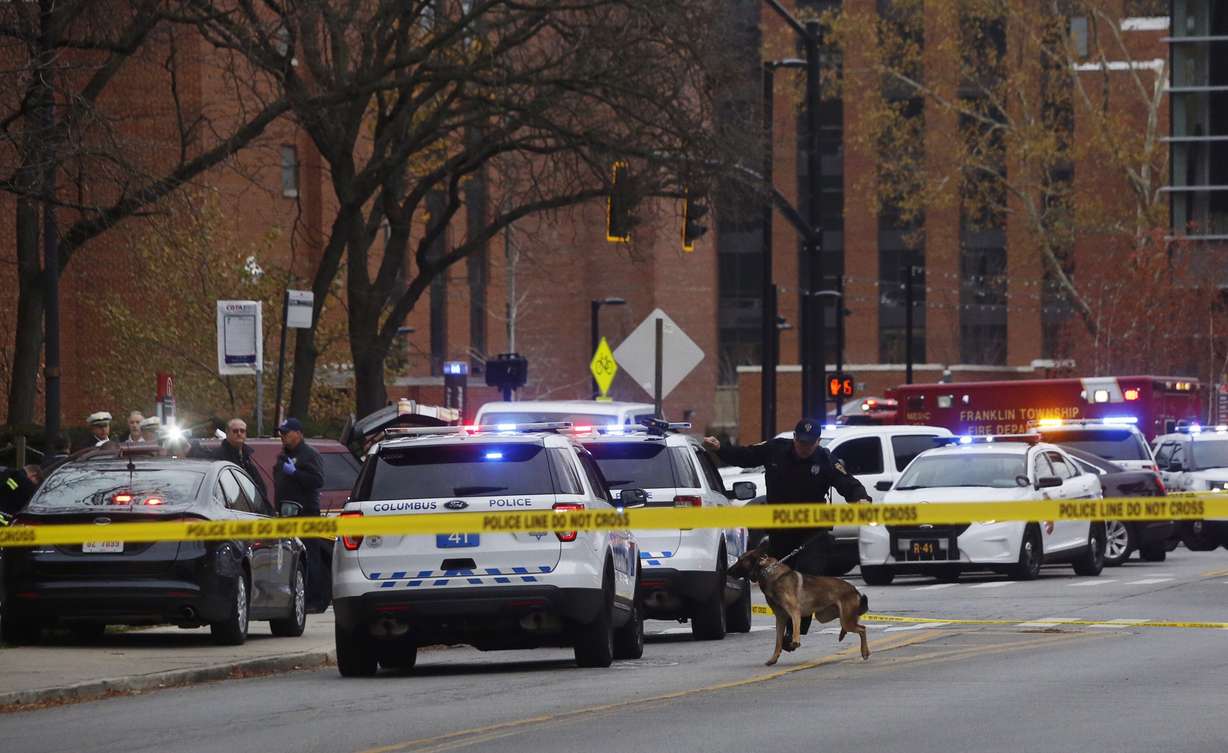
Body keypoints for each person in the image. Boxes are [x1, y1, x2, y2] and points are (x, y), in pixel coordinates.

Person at [704, 419, 870, 637]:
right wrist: (720, 449)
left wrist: (861, 499)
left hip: (813, 533)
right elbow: (745, 456)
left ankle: (794, 633)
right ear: (794, 438)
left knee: (807, 577)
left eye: (809, 444)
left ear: (818, 442)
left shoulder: (825, 459)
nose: (804, 447)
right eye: (800, 442)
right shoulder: (776, 449)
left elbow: (847, 483)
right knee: (776, 579)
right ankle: (787, 621)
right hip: (781, 533)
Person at [274, 417, 328, 609]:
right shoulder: (283, 456)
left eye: (286, 433)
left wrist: (295, 473)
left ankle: (315, 600)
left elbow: (318, 480)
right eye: (281, 433)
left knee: (310, 557)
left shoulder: (309, 454)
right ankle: (298, 599)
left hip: (306, 513)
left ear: (298, 433)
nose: (283, 436)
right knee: (292, 559)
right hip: (287, 515)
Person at [202, 418, 268, 502]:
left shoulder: (247, 457)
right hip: (229, 503)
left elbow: (260, 487)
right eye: (235, 431)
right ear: (227, 433)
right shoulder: (218, 456)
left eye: (242, 431)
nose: (239, 434)